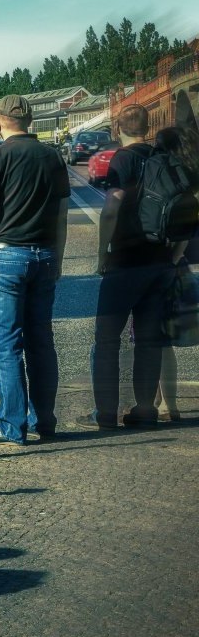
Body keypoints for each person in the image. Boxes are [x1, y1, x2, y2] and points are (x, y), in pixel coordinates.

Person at [0, 94, 71, 445]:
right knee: (41, 343)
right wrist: (59, 259)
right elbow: (62, 215)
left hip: (5, 258)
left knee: (5, 345)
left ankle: (12, 425)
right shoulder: (52, 157)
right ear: (31, 120)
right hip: (46, 256)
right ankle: (44, 421)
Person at [79, 103, 176, 430]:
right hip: (159, 261)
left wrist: (103, 253)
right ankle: (145, 409)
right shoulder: (162, 157)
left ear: (117, 128)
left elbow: (112, 207)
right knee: (149, 341)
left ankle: (106, 412)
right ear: (148, 125)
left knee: (107, 338)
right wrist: (173, 255)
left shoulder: (123, 158)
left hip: (126, 260)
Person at [151, 126, 198, 422]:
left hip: (165, 265)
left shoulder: (173, 178)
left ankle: (169, 405)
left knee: (158, 339)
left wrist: (173, 256)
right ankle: (156, 400)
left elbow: (181, 225)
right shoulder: (190, 176)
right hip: (178, 267)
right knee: (159, 337)